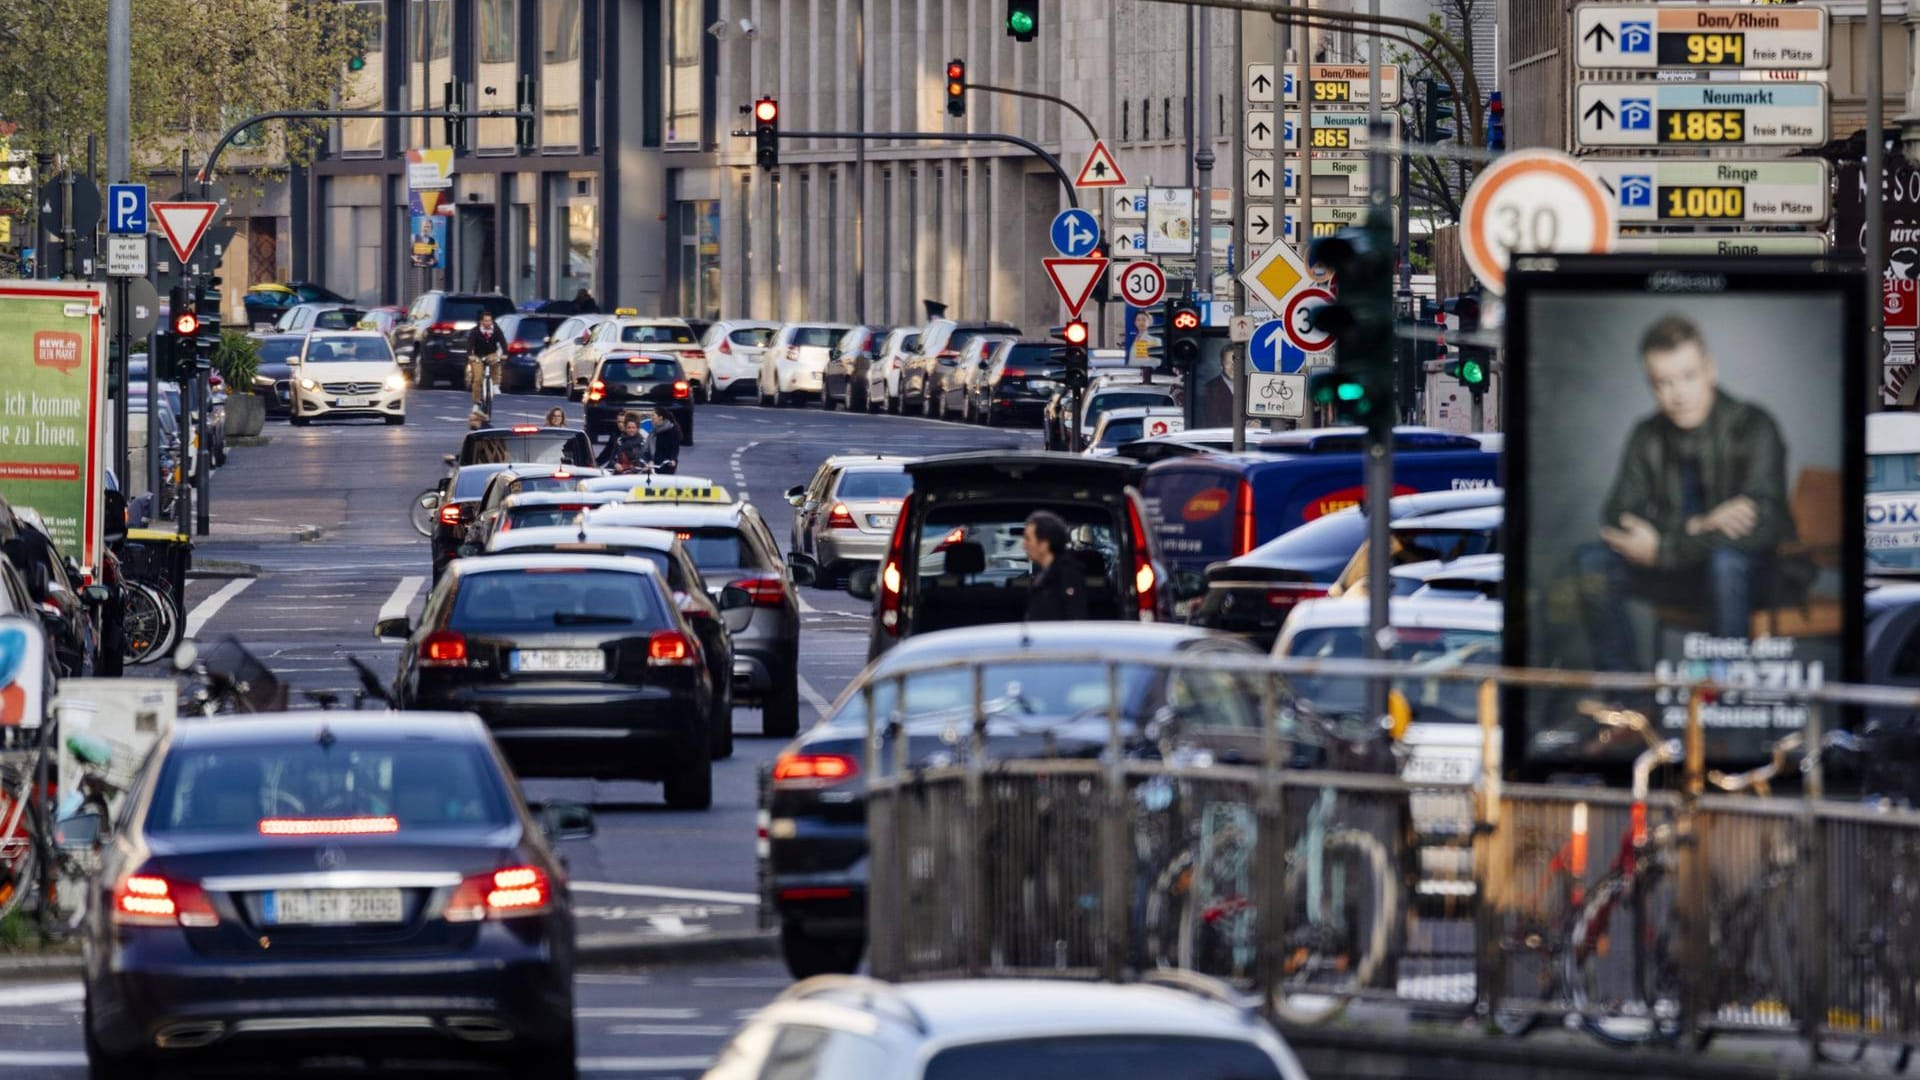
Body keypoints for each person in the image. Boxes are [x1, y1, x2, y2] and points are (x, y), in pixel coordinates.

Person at [1572, 313, 1793, 670]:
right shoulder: (1647, 434)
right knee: (1591, 562)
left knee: (1727, 562)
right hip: (1680, 572)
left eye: (1688, 376)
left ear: (1710, 369)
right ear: (1651, 384)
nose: (1678, 394)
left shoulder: (1754, 425)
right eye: (1663, 382)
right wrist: (1699, 525)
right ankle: (1625, 698)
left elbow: (1763, 523)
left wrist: (1663, 548)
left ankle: (1726, 701)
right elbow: (1616, 515)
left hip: (1750, 578)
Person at [1022, 510, 1087, 621]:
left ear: (1044, 544)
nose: (1023, 545)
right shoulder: (1046, 574)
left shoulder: (1066, 577)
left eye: (1028, 539)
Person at [468, 312, 507, 412]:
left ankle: (495, 384)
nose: (488, 323)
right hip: (478, 356)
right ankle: (476, 402)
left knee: (496, 361)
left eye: (489, 320)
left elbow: (503, 342)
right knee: (477, 379)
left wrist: (505, 353)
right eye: (485, 321)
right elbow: (470, 344)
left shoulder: (496, 329)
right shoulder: (475, 331)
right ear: (481, 321)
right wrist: (470, 355)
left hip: (491, 354)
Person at [648, 406, 681, 474]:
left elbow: (675, 448)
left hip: (666, 465)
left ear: (660, 417)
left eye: (653, 415)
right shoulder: (653, 431)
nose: (651, 418)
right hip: (653, 465)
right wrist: (650, 460)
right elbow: (647, 448)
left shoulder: (672, 430)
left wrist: (672, 460)